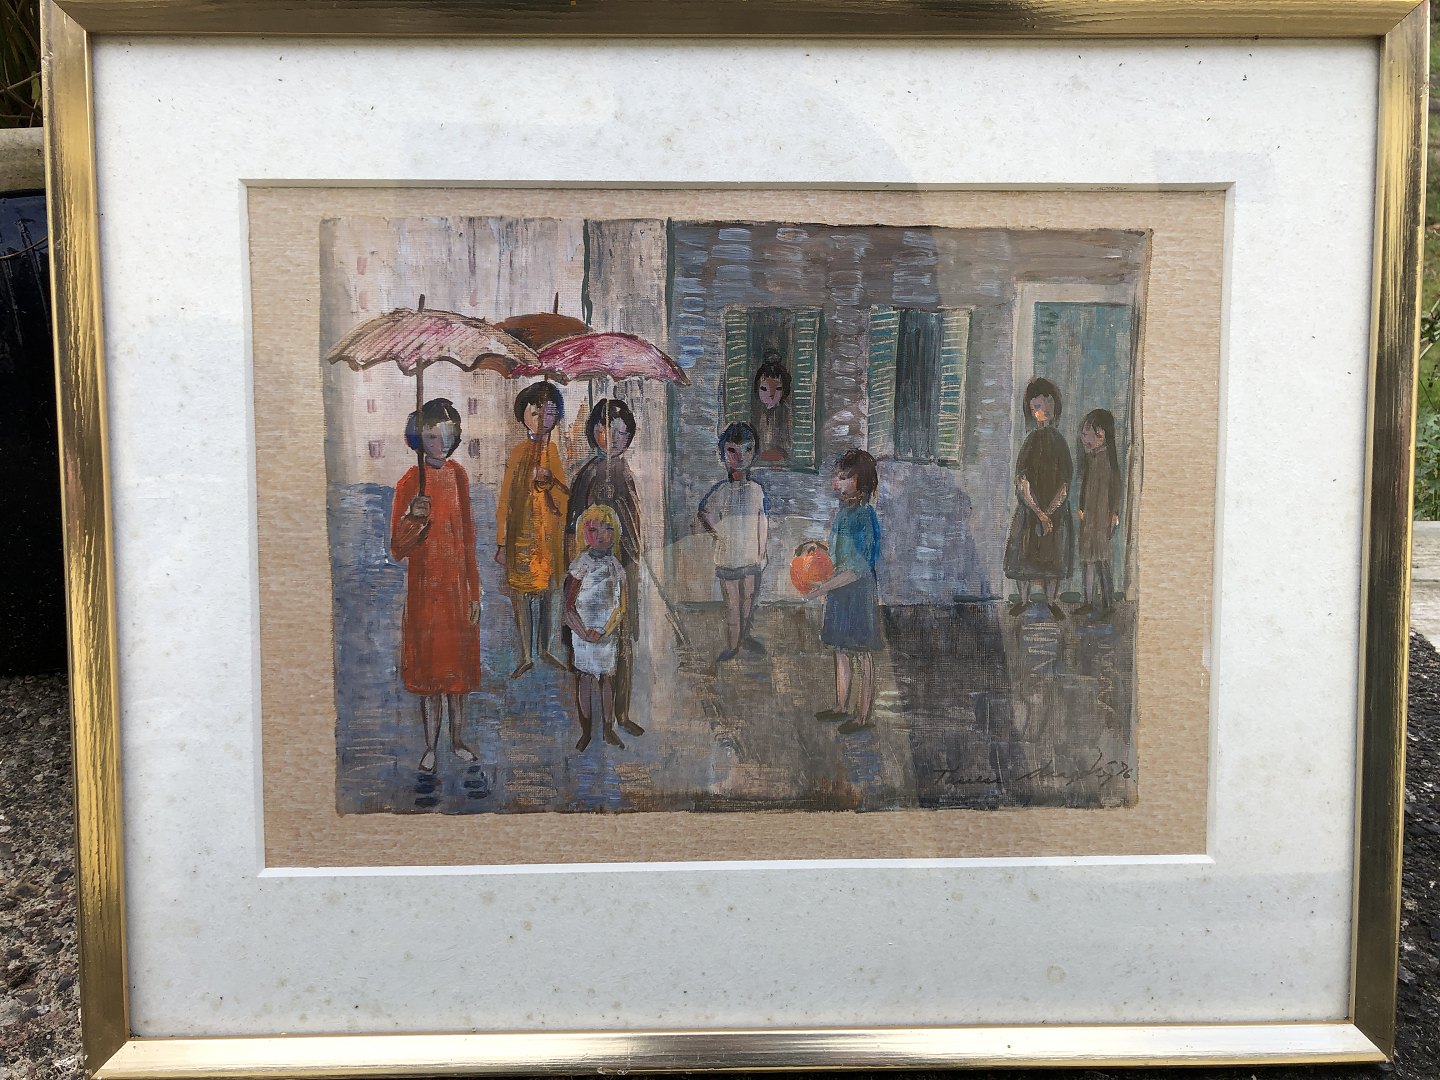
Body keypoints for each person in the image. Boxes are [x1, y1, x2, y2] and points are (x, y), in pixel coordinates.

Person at [389, 398, 481, 773]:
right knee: (429, 675)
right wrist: (413, 518)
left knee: (457, 674)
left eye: (446, 435)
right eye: (431, 435)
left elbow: (468, 539)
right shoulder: (410, 483)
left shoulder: (459, 477)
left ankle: (457, 740)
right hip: (426, 593)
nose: (439, 443)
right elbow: (397, 548)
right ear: (419, 437)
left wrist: (474, 593)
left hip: (457, 592)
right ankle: (430, 745)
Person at [566, 399, 644, 736]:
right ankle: (587, 722)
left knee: (622, 640)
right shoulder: (587, 474)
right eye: (606, 429)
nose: (613, 438)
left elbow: (634, 527)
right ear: (594, 430)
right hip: (590, 577)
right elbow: (573, 526)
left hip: (622, 568)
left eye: (622, 433)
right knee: (585, 648)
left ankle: (619, 715)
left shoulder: (625, 474)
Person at [808, 448, 883, 734]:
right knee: (840, 650)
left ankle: (862, 715)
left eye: (843, 477)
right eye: (837, 477)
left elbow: (860, 566)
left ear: (860, 482)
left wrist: (824, 587)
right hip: (839, 591)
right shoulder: (841, 516)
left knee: (861, 653)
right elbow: (838, 556)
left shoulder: (865, 516)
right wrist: (819, 556)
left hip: (857, 593)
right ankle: (841, 706)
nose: (836, 483)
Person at [497, 381, 569, 677]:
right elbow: (506, 498)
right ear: (523, 415)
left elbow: (566, 497)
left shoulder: (554, 452)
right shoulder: (518, 453)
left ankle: (546, 647)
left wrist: (551, 482)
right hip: (522, 536)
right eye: (536, 412)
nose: (542, 419)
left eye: (549, 412)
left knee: (551, 592)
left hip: (549, 537)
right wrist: (502, 542)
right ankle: (526, 653)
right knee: (521, 593)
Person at [1003, 377, 1074, 619]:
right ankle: (1023, 600)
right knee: (1024, 555)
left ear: (1054, 406)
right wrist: (1038, 512)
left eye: (1047, 404)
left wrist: (1050, 512)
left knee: (1054, 556)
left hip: (1056, 512)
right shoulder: (1030, 442)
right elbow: (1023, 481)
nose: (1042, 410)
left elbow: (1065, 484)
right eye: (1036, 406)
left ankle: (1052, 601)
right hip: (1031, 510)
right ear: (1030, 410)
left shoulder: (1059, 443)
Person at [697, 422, 768, 662]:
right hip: (728, 557)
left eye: (747, 450)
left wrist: (762, 551)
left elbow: (761, 521)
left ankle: (744, 638)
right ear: (723, 454)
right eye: (732, 451)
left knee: (748, 600)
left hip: (750, 555)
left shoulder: (756, 490)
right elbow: (705, 512)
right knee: (733, 605)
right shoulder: (722, 491)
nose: (740, 457)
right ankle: (732, 644)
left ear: (754, 452)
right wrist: (722, 533)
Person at [563, 505, 628, 751]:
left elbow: (621, 606)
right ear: (584, 533)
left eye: (608, 529)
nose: (601, 535)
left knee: (608, 680)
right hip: (582, 634)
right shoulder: (580, 565)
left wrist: (605, 630)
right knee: (585, 679)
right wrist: (583, 632)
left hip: (606, 634)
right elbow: (568, 607)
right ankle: (586, 731)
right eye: (594, 530)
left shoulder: (616, 567)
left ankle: (609, 728)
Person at [1077, 408, 1122, 616]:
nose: (1087, 440)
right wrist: (1081, 507)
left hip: (1103, 515)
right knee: (1087, 559)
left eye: (1093, 435)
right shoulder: (1090, 459)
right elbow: (1084, 485)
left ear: (1103, 435)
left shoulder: (1108, 460)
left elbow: (1116, 489)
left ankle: (1108, 603)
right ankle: (1088, 601)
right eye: (1085, 434)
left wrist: (1114, 513)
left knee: (1102, 559)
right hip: (1089, 516)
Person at [752, 351, 792, 466]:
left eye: (778, 389)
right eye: (764, 389)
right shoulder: (755, 415)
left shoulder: (786, 415)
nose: (771, 395)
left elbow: (787, 450)